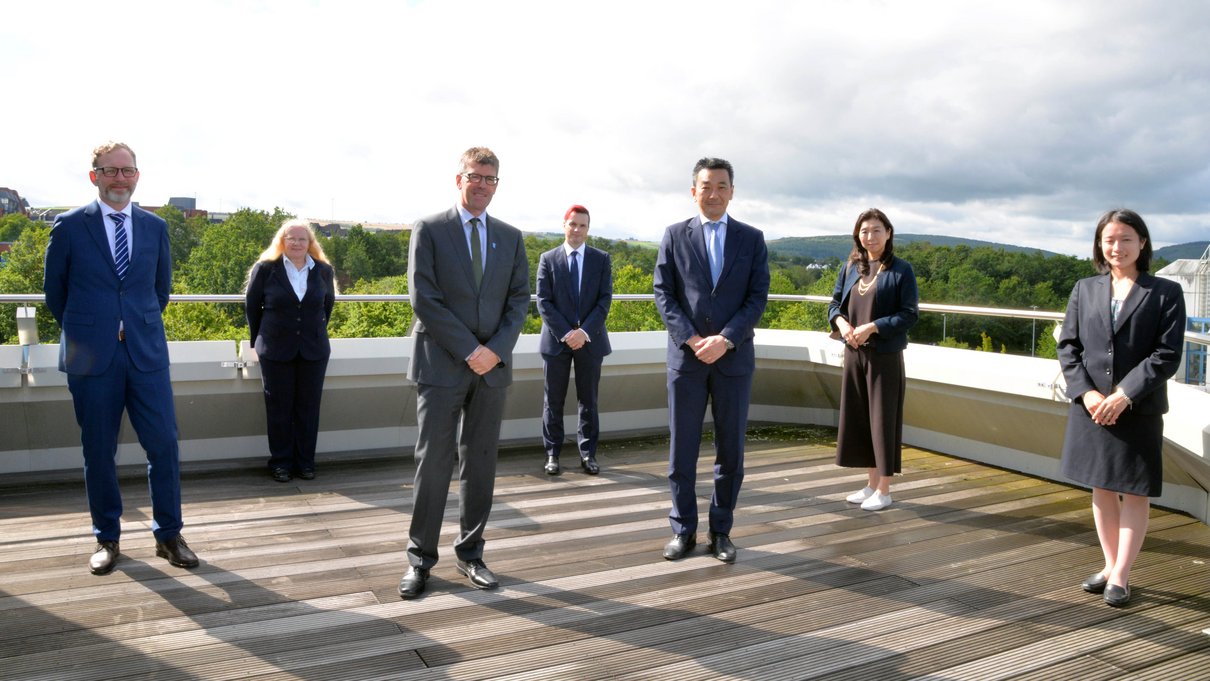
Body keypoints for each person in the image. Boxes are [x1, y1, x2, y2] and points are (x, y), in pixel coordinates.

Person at [42, 141, 199, 575]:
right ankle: (106, 538)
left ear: (137, 175)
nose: (119, 178)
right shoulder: (69, 226)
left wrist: (132, 326)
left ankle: (169, 535)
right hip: (91, 359)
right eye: (110, 171)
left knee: (165, 445)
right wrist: (95, 330)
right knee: (98, 451)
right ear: (94, 176)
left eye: (127, 171)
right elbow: (57, 294)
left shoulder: (155, 227)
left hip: (146, 355)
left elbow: (160, 291)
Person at [399, 147, 530, 599]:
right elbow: (424, 298)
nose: (482, 185)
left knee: (481, 464)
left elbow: (519, 303)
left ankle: (472, 553)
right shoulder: (430, 229)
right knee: (433, 463)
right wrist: (469, 348)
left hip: (491, 370)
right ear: (459, 179)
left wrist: (492, 351)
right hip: (441, 365)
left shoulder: (511, 237)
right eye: (475, 176)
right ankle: (420, 559)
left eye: (490, 179)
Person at [1058, 209, 1185, 607]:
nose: (1117, 247)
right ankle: (1110, 564)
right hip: (1093, 408)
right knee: (1101, 486)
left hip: (1138, 407)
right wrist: (1088, 393)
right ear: (1099, 244)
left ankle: (1123, 575)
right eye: (1109, 239)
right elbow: (1069, 347)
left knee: (1134, 492)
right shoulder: (1085, 288)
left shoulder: (1165, 292)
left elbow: (1166, 355)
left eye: (1126, 238)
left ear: (1142, 243)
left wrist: (1124, 393)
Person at [653, 157, 769, 563]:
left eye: (722, 186)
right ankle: (682, 530)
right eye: (706, 186)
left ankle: (721, 531)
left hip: (733, 360)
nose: (714, 193)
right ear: (694, 191)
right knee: (681, 450)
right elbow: (663, 294)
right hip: (686, 361)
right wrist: (691, 338)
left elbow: (757, 297)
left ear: (732, 191)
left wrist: (727, 339)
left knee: (730, 451)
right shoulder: (673, 235)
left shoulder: (751, 239)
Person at [828, 208, 919, 512]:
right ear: (858, 235)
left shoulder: (901, 270)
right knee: (862, 419)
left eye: (877, 230)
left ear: (889, 233)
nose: (870, 236)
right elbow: (834, 305)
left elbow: (909, 314)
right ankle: (870, 485)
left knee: (882, 421)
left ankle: (885, 489)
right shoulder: (851, 267)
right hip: (854, 354)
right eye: (864, 231)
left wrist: (873, 327)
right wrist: (842, 325)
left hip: (884, 356)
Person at [245, 219, 337, 483]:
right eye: (291, 238)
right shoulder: (265, 270)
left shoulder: (323, 271)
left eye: (302, 239)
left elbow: (326, 308)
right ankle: (281, 463)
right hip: (274, 349)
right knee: (279, 408)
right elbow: (253, 308)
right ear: (281, 241)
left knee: (309, 409)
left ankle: (305, 463)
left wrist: (312, 332)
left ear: (311, 243)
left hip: (314, 349)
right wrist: (258, 342)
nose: (296, 243)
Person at [536, 205, 613, 476]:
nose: (577, 230)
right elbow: (543, 301)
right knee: (552, 401)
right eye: (572, 224)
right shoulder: (548, 258)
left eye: (582, 225)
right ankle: (552, 454)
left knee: (588, 400)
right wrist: (567, 334)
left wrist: (584, 333)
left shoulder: (601, 259)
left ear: (588, 229)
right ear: (564, 225)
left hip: (590, 341)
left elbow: (605, 300)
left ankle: (588, 454)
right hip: (557, 342)